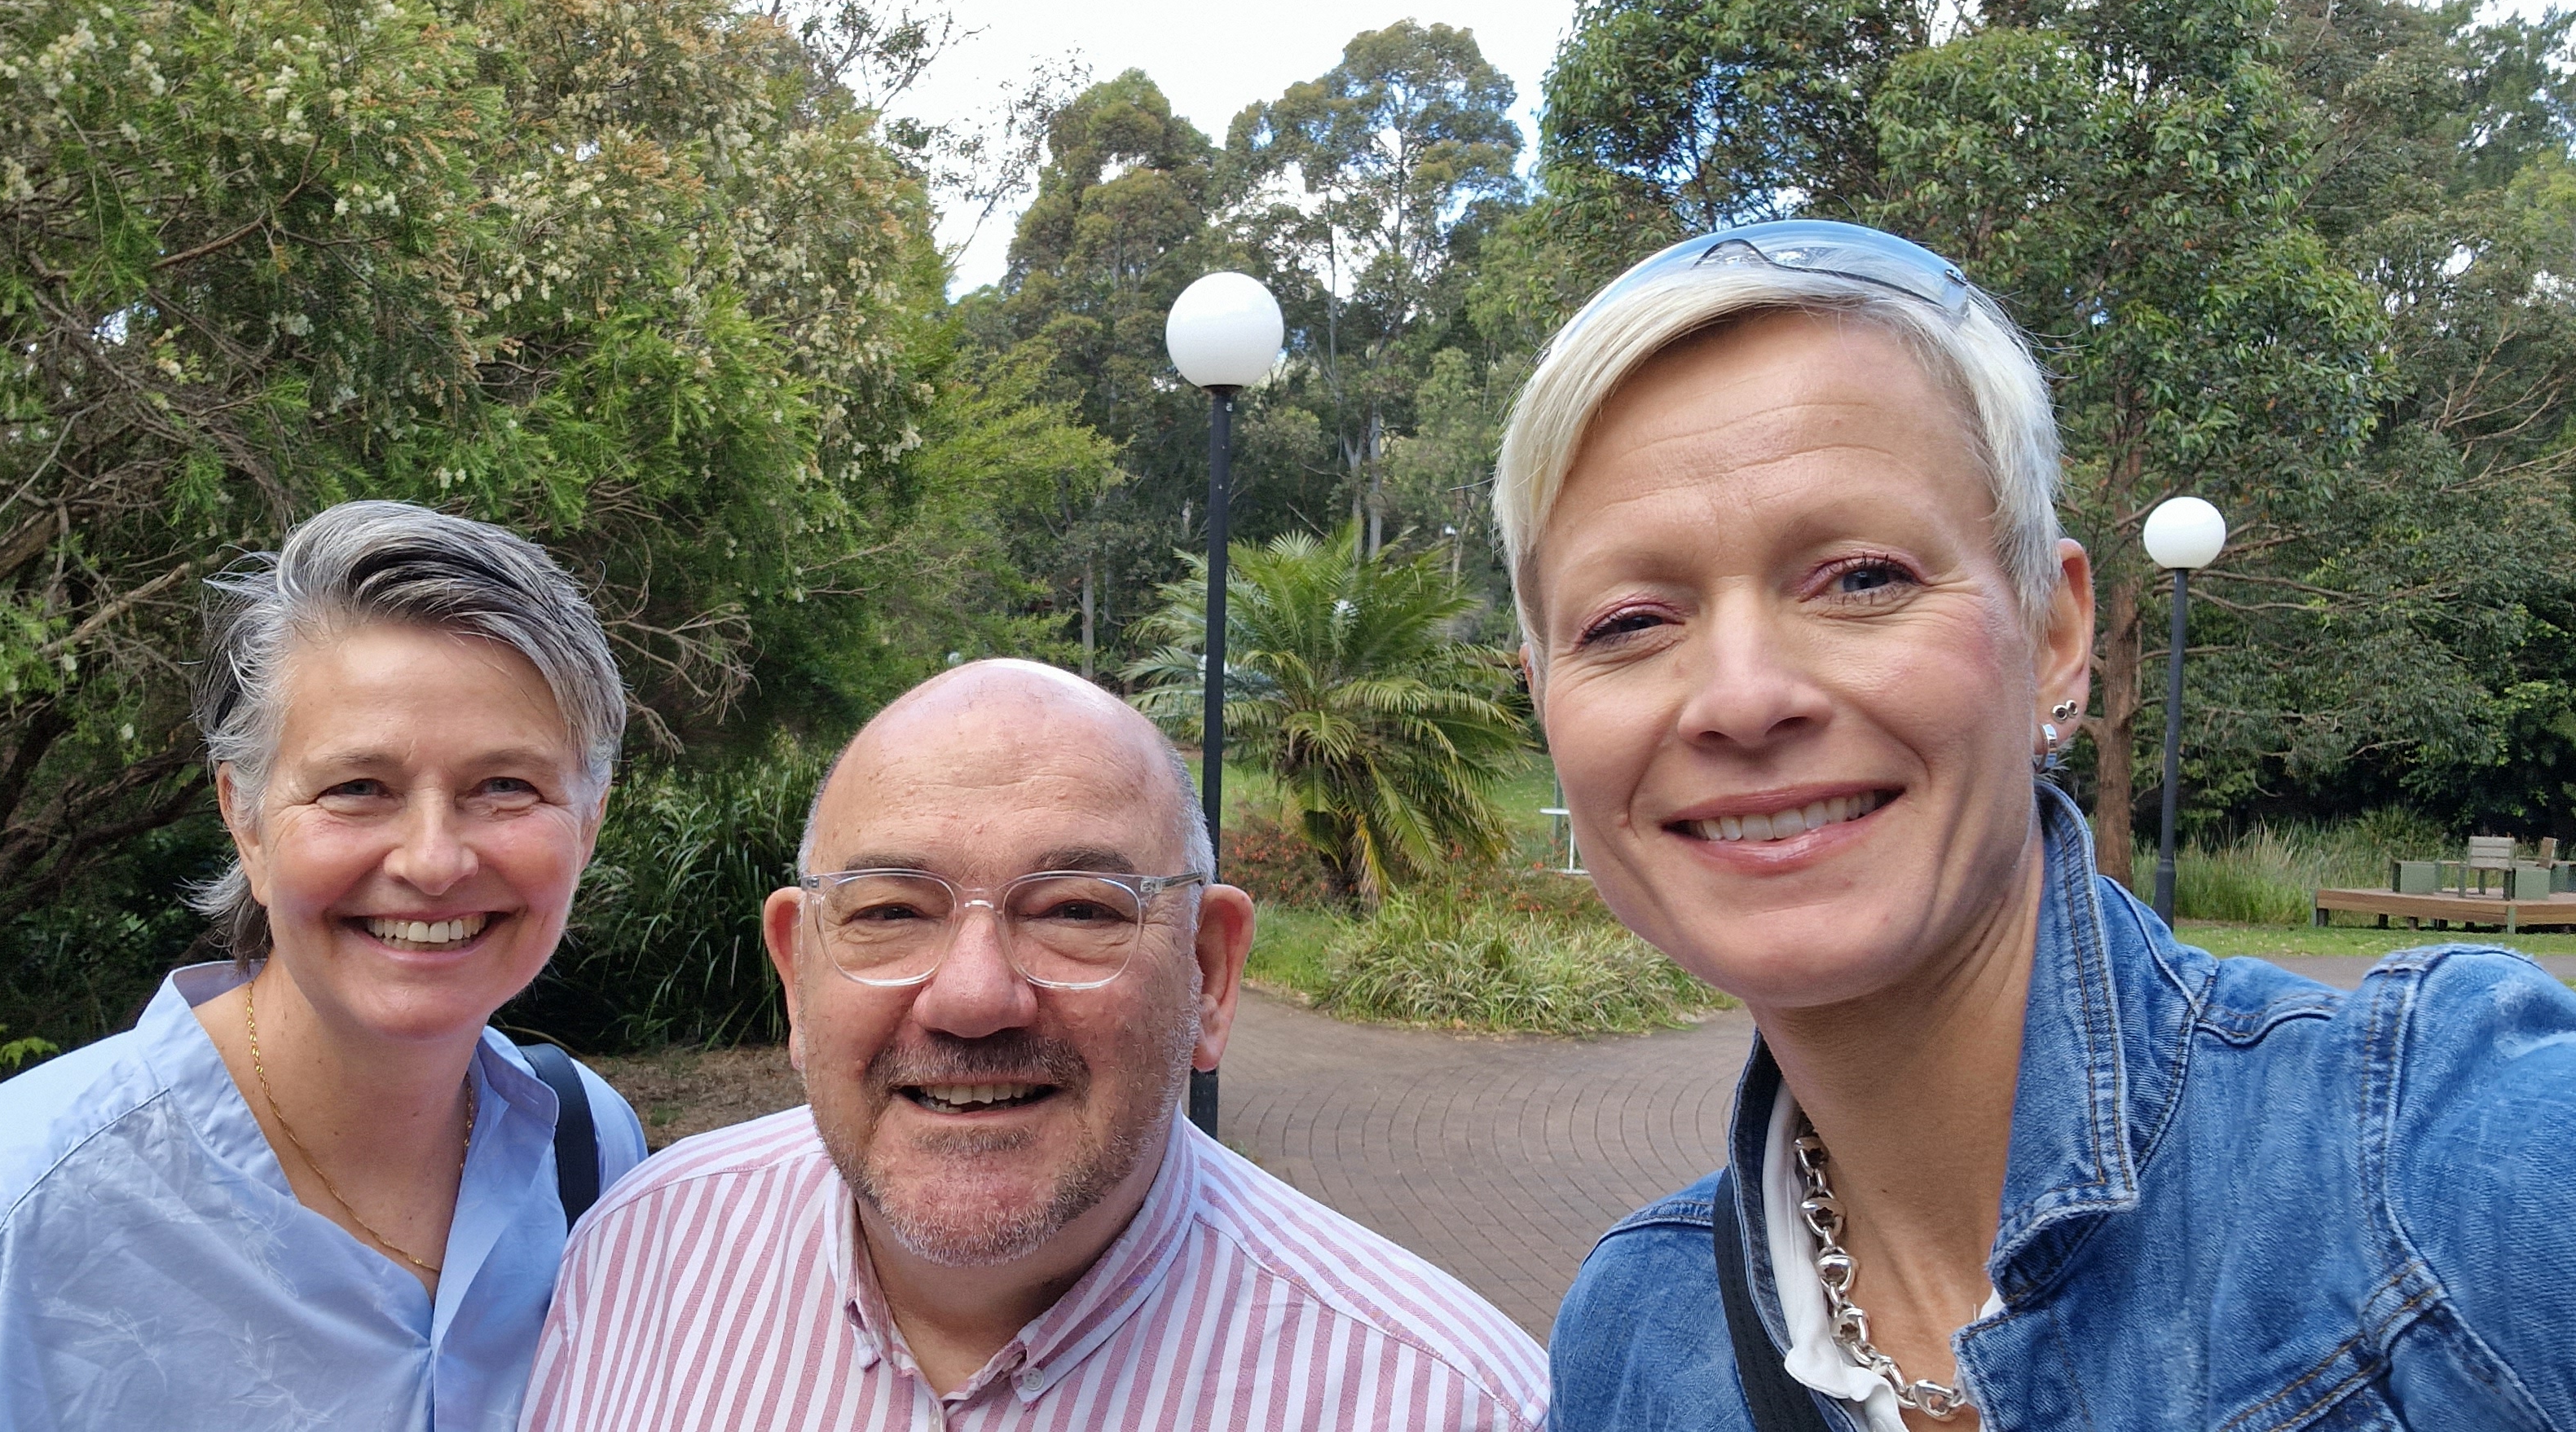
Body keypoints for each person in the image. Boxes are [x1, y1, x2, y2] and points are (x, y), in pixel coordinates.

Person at [1509, 221, 2576, 1430]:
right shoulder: (1638, 1343)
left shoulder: (2439, 1170)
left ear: (2056, 638)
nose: (1745, 697)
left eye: (1864, 577)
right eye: (1629, 622)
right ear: (1548, 700)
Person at [0, 501, 650, 1432]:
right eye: (356, 788)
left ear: (589, 818)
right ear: (242, 816)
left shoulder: (584, 1151)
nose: (432, 859)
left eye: (505, 787)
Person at [520, 659, 1549, 1431]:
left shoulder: (1446, 1401)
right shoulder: (635, 1258)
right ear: (796, 972)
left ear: (1209, 972)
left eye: (1073, 909)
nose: (972, 997)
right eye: (888, 911)